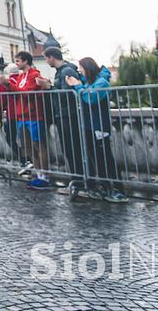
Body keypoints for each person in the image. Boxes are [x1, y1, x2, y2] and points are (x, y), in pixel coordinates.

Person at [71, 58, 127, 202]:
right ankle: (105, 186)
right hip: (89, 125)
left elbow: (91, 98)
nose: (80, 70)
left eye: (81, 67)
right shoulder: (89, 82)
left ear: (87, 67)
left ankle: (117, 189)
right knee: (97, 158)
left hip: (99, 125)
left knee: (106, 158)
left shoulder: (102, 82)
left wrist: (77, 86)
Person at [2, 51, 53, 190]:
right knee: (28, 146)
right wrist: (8, 86)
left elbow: (26, 92)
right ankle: (38, 173)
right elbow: (17, 91)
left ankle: (45, 175)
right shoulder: (20, 76)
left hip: (34, 115)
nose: (16, 63)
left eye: (18, 61)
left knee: (38, 145)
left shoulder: (34, 75)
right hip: (22, 116)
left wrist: (9, 85)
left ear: (25, 61)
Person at [43, 47, 86, 186]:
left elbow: (67, 94)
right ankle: (76, 179)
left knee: (72, 149)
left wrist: (49, 87)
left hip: (69, 115)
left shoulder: (66, 71)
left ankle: (79, 180)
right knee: (69, 149)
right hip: (63, 114)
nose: (46, 61)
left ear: (52, 57)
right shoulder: (61, 71)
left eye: (46, 58)